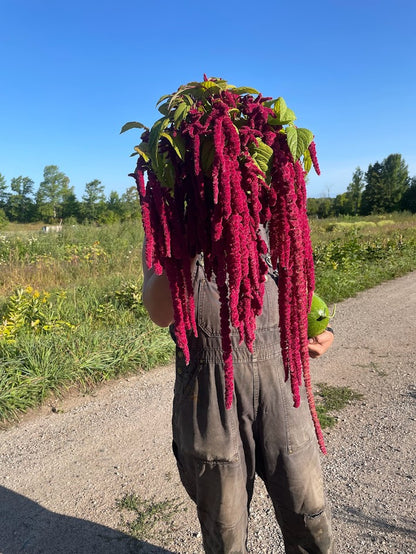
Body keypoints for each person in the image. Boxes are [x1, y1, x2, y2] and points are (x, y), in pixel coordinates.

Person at [142, 233, 335, 553]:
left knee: (308, 515)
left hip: (284, 392)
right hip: (211, 396)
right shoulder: (171, 215)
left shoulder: (274, 206)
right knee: (224, 528)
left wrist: (318, 330)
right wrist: (190, 232)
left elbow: (298, 291)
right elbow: (160, 311)